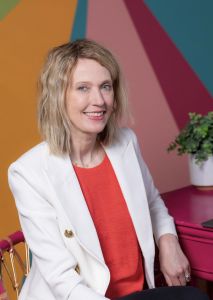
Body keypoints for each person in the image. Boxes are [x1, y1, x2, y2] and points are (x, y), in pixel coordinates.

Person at [8, 39, 209, 300]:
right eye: (83, 88)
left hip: (135, 293)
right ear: (57, 96)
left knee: (195, 297)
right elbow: (62, 281)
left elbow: (152, 203)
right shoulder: (28, 172)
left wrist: (168, 239)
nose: (99, 100)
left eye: (105, 87)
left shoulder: (125, 143)